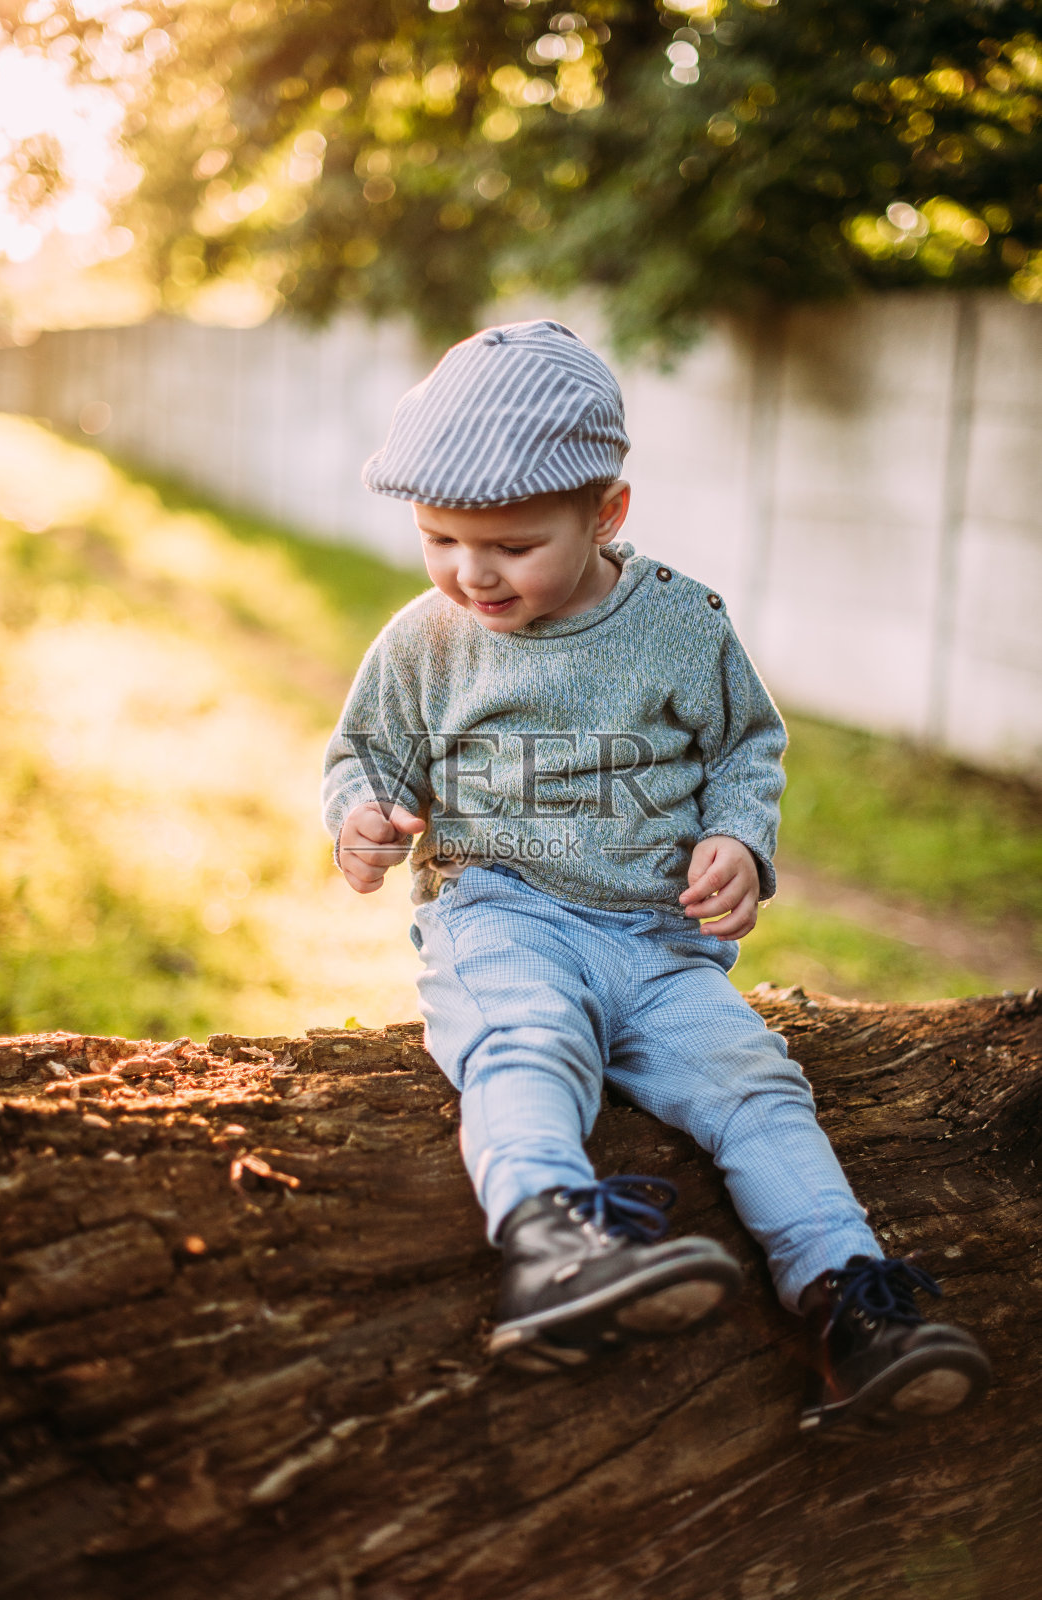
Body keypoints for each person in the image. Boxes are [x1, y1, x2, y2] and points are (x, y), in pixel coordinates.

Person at [321, 319, 990, 1434]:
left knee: (759, 1088)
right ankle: (549, 1240)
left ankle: (848, 1304)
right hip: (504, 913)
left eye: (513, 545)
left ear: (608, 513)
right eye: (439, 538)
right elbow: (367, 755)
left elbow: (745, 747)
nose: (470, 572)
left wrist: (738, 837)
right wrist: (362, 820)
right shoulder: (426, 641)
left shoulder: (684, 625)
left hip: (658, 943)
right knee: (525, 1038)